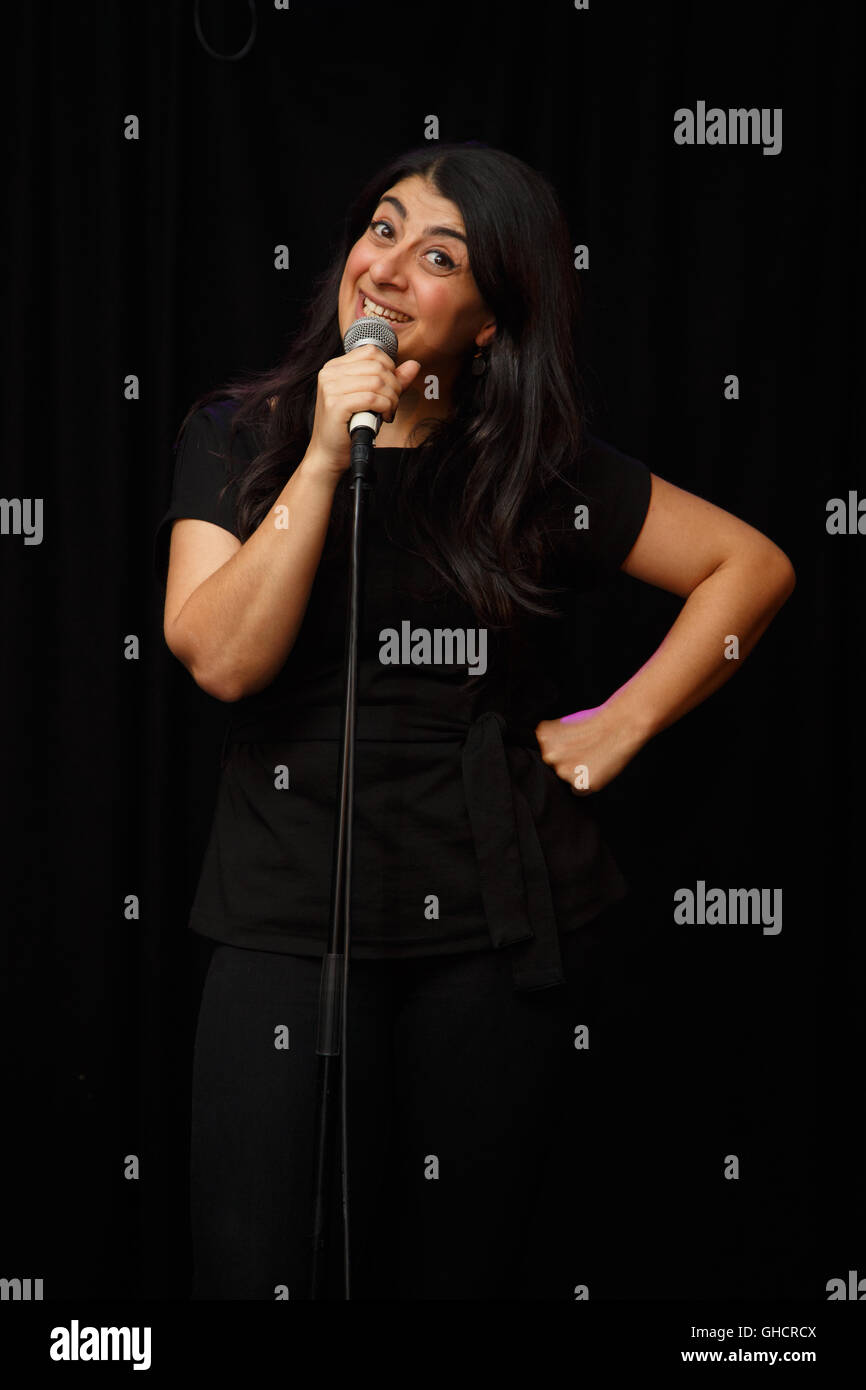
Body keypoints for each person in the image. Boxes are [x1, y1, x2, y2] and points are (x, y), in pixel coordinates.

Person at [154, 142, 795, 1301]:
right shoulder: (237, 433)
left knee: (460, 1274)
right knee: (252, 1268)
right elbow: (221, 658)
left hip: (492, 928)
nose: (388, 267)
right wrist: (318, 457)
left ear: (493, 320)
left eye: (437, 254)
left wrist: (620, 723)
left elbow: (747, 568)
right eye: (382, 229)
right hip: (284, 911)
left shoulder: (532, 472)